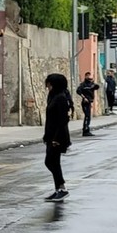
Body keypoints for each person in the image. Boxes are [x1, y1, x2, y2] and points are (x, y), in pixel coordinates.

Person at [42, 73, 72, 202]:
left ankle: (62, 188)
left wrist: (56, 138)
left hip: (58, 136)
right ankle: (58, 189)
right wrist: (46, 136)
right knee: (52, 162)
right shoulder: (52, 96)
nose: (47, 85)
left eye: (49, 83)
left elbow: (63, 120)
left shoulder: (61, 98)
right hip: (51, 135)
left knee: (51, 161)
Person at [76, 72, 99, 136]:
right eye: (88, 76)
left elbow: (97, 87)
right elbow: (78, 91)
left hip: (89, 101)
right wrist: (84, 97)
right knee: (87, 116)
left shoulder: (91, 84)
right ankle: (85, 130)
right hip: (85, 101)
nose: (89, 77)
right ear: (85, 76)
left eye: (90, 76)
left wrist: (93, 82)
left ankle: (86, 129)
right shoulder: (83, 84)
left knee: (88, 116)